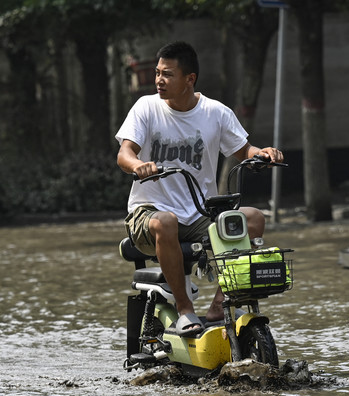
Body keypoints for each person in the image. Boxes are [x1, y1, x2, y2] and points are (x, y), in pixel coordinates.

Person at [116, 41, 284, 337]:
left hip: (198, 214)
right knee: (165, 220)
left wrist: (264, 154)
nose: (158, 80)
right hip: (148, 214)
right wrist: (137, 165)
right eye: (157, 73)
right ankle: (184, 309)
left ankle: (220, 304)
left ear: (189, 79)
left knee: (253, 218)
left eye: (167, 74)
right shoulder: (146, 107)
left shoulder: (215, 113)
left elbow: (243, 150)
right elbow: (125, 153)